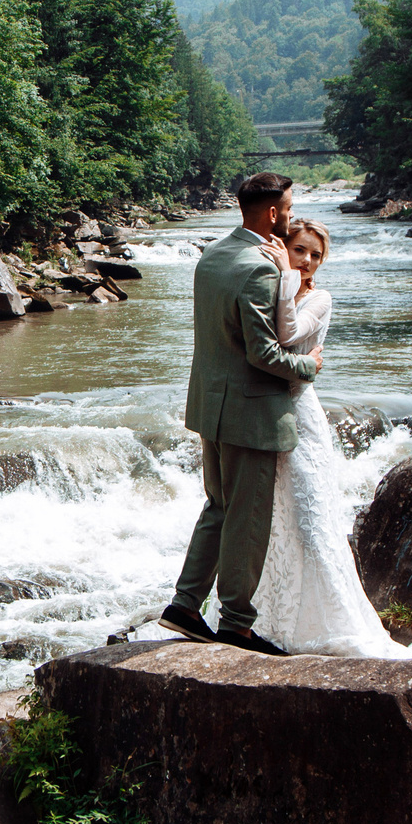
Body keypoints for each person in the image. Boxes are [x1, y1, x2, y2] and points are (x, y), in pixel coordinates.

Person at [156, 172, 320, 655]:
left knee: (219, 507)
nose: (289, 216)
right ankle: (237, 626)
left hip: (211, 405)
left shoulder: (213, 254)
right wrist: (306, 366)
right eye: (287, 209)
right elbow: (262, 353)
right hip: (250, 413)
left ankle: (185, 607)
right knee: (247, 519)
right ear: (272, 213)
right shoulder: (259, 268)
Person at [253, 218, 412, 658]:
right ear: (282, 246)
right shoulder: (267, 285)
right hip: (262, 412)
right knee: (274, 519)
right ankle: (265, 619)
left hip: (301, 415)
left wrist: (288, 280)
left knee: (311, 520)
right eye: (300, 250)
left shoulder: (320, 297)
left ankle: (328, 622)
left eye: (316, 254)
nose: (307, 260)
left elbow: (287, 335)